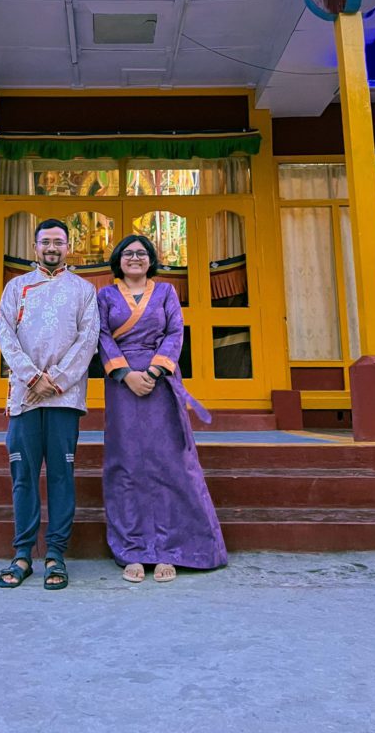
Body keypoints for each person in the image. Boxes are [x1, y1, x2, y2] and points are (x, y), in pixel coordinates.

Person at [97, 234, 228, 583]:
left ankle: (172, 548)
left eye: (141, 253)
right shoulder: (106, 295)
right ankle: (133, 550)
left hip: (160, 383)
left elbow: (175, 333)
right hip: (123, 385)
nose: (135, 258)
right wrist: (126, 375)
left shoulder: (167, 292)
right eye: (128, 254)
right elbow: (101, 336)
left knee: (170, 461)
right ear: (118, 261)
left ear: (151, 259)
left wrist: (153, 371)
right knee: (126, 464)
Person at [0, 218, 100, 590]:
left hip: (64, 397)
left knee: (61, 476)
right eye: (45, 242)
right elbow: (6, 337)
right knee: (23, 477)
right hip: (25, 397)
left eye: (59, 242)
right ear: (35, 247)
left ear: (68, 247)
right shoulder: (16, 288)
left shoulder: (84, 290)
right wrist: (32, 378)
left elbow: (88, 341)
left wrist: (53, 380)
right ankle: (22, 553)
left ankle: (56, 554)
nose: (52, 248)